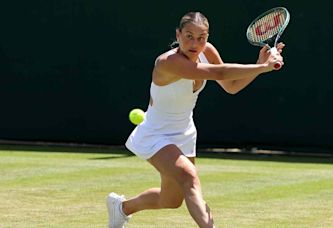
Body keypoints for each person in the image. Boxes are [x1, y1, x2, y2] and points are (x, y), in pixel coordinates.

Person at [107, 11, 285, 228]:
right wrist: (264, 67)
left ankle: (121, 208)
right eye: (189, 36)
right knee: (189, 177)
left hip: (185, 132)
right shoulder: (168, 62)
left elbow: (231, 86)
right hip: (156, 133)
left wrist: (259, 66)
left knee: (170, 200)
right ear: (178, 34)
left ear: (207, 38)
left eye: (201, 37)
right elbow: (219, 73)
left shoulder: (207, 51)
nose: (195, 43)